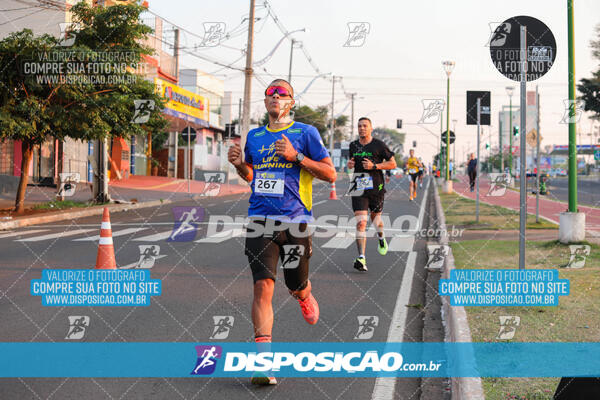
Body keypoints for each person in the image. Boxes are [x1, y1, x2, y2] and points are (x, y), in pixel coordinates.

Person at [228, 79, 336, 385]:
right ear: (266, 102)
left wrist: (296, 157)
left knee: (294, 284)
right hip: (260, 219)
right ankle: (263, 363)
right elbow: (252, 175)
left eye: (282, 92)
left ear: (291, 102)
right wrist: (239, 165)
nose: (275, 96)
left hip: (296, 221)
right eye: (271, 93)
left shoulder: (306, 133)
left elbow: (330, 174)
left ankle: (304, 294)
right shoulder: (256, 137)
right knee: (263, 287)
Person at [347, 117, 396, 272]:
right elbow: (352, 163)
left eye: (365, 126)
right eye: (359, 126)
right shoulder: (353, 145)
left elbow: (393, 164)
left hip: (376, 187)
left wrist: (375, 165)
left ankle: (381, 238)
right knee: (361, 222)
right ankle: (361, 258)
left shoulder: (379, 145)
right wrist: (350, 165)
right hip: (358, 186)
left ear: (371, 128)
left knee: (376, 221)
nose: (362, 128)